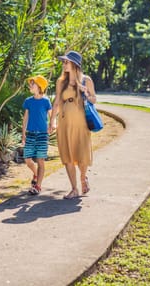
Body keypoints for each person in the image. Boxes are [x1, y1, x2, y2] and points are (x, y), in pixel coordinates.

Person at [49, 51, 97, 199]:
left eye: (66, 62)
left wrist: (86, 93)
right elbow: (57, 102)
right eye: (63, 62)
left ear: (75, 65)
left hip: (81, 123)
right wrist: (52, 121)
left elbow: (94, 99)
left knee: (81, 155)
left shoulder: (85, 80)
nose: (63, 64)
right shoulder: (61, 81)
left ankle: (83, 177)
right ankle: (74, 188)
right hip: (65, 123)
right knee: (67, 156)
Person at [22, 75, 52, 195]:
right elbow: (25, 117)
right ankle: (35, 174)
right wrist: (23, 133)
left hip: (42, 135)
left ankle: (38, 186)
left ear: (40, 87)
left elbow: (51, 115)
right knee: (27, 160)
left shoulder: (46, 101)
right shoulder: (28, 101)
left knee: (40, 161)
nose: (30, 86)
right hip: (30, 134)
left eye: (32, 84)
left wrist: (53, 124)